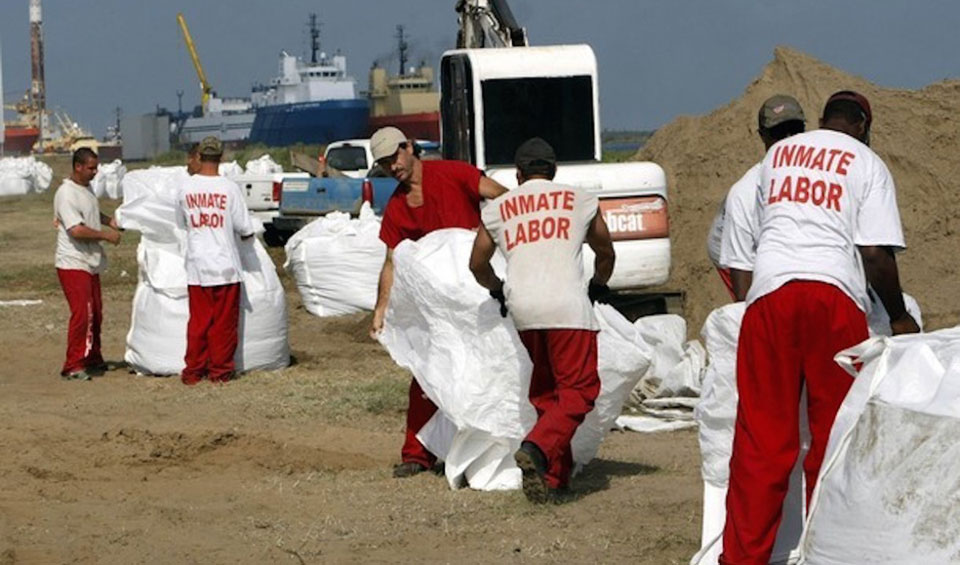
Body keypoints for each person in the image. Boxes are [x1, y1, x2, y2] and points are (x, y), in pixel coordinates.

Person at [720, 91, 920, 564]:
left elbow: (744, 258)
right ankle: (828, 552)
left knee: (761, 442)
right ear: (864, 127)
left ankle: (741, 559)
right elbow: (874, 254)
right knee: (833, 438)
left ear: (821, 122)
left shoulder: (777, 158)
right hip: (832, 301)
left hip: (769, 300)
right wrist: (897, 315)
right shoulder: (866, 162)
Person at [468, 137, 616, 503]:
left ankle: (553, 477)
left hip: (524, 309)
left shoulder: (499, 207)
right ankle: (536, 446)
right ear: (553, 172)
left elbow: (477, 263)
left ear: (519, 175)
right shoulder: (580, 200)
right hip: (568, 308)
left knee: (548, 394)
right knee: (580, 391)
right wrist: (599, 283)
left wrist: (497, 289)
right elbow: (605, 251)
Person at [367, 125, 508, 478]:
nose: (393, 166)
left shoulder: (454, 174)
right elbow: (391, 261)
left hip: (477, 295)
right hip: (437, 308)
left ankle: (501, 444)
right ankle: (417, 454)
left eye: (395, 156)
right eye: (384, 164)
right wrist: (381, 308)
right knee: (428, 373)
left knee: (491, 367)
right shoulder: (397, 209)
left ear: (410, 147)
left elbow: (505, 200)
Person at [175, 136, 255, 385]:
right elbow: (245, 228)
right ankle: (220, 372)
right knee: (223, 324)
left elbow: (181, 224)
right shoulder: (229, 188)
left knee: (198, 322)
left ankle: (193, 371)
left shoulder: (185, 188)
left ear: (199, 156)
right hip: (225, 267)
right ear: (221, 157)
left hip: (197, 267)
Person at [713, 95, 806, 301]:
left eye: (796, 130)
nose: (789, 139)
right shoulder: (745, 192)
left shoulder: (819, 177)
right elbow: (740, 267)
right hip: (735, 249)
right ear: (762, 136)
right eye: (779, 133)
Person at [53, 147, 122, 380]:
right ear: (78, 167)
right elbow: (76, 229)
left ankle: (92, 356)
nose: (95, 172)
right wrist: (105, 236)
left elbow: (90, 213)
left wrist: (108, 221)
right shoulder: (66, 194)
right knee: (83, 313)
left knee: (97, 313)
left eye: (96, 167)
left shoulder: (86, 188)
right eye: (91, 168)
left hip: (90, 261)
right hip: (73, 261)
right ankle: (73, 365)